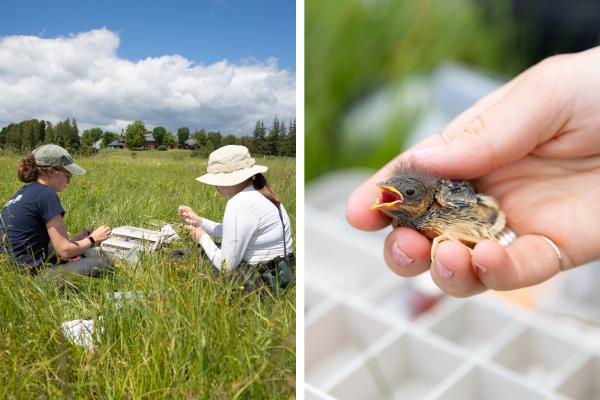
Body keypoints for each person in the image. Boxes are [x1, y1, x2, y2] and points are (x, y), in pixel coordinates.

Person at [347, 46, 600, 297]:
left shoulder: (444, 196)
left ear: (426, 196)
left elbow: (474, 204)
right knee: (458, 257)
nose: (387, 196)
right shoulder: (409, 219)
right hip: (492, 222)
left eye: (410, 192)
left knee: (460, 256)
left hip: (488, 214)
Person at [178, 145, 294, 292]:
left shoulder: (240, 203)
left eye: (217, 180)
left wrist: (202, 237)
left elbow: (226, 265)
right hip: (281, 274)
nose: (214, 186)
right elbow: (234, 235)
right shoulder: (261, 192)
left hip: (259, 283)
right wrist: (199, 221)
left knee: (182, 258)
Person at [0, 144, 112, 278]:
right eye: (68, 175)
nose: (68, 182)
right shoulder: (46, 194)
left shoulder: (23, 193)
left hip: (9, 271)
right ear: (53, 171)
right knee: (104, 263)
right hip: (28, 277)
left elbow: (35, 242)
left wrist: (79, 239)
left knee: (73, 250)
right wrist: (93, 239)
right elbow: (64, 251)